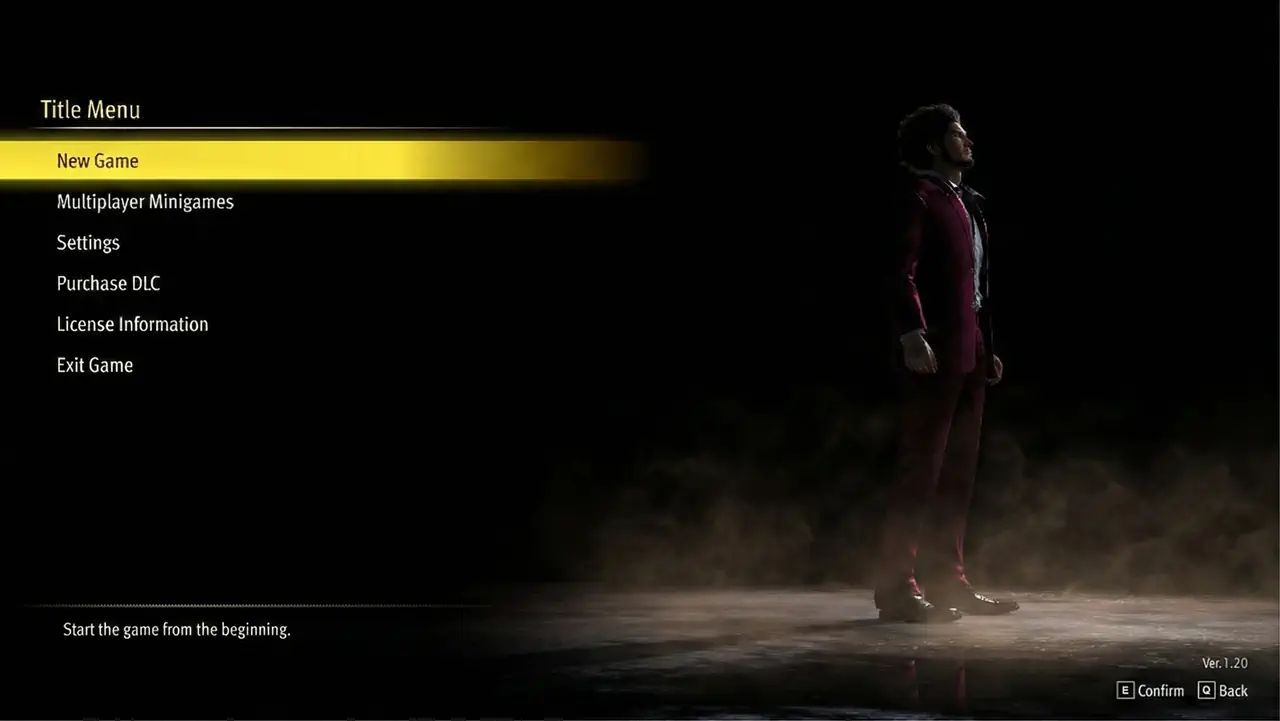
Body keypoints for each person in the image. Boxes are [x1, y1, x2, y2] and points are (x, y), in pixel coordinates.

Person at [874, 104, 1020, 622]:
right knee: (921, 471)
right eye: (958, 134)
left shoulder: (967, 202)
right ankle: (897, 588)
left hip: (968, 351)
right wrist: (912, 334)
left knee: (957, 473)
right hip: (934, 353)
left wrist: (986, 345)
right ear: (935, 146)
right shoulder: (920, 196)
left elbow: (977, 285)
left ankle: (948, 582)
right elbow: (900, 270)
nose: (968, 139)